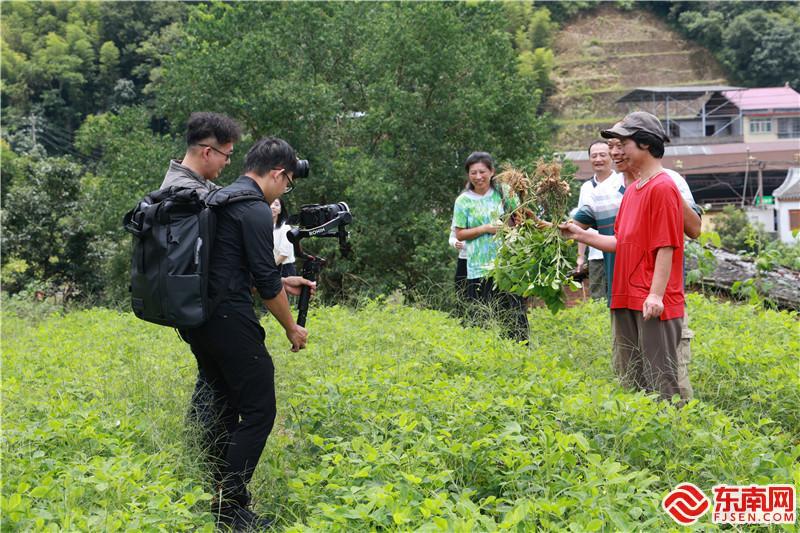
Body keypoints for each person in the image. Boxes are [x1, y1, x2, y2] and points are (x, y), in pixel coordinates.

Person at [180, 137, 315, 529]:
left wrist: (279, 281)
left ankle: (211, 488)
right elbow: (264, 279)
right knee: (259, 408)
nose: (285, 190)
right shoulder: (254, 209)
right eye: (287, 183)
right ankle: (231, 509)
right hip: (228, 318)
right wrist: (292, 328)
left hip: (199, 317)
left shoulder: (220, 198)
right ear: (277, 174)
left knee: (221, 401)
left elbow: (234, 266)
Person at [560, 112, 693, 402]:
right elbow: (622, 243)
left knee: (662, 384)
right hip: (626, 295)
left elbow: (666, 246)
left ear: (645, 144)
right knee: (633, 381)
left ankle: (674, 440)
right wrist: (578, 234)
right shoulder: (634, 189)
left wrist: (656, 295)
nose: (615, 151)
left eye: (624, 143)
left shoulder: (663, 187)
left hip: (650, 300)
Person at [159, 112, 241, 441]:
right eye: (226, 155)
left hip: (196, 301)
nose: (226, 164)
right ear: (208, 152)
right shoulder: (184, 192)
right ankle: (204, 454)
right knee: (216, 378)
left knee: (212, 378)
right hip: (197, 304)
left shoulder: (199, 187)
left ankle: (201, 452)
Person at [452, 151, 529, 342]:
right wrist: (485, 228)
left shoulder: (503, 192)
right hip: (478, 267)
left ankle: (518, 355)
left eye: (482, 172)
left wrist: (509, 226)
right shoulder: (463, 201)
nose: (478, 177)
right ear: (468, 175)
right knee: (481, 319)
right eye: (473, 173)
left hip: (507, 265)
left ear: (492, 171)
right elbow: (460, 233)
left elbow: (520, 220)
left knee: (513, 318)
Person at [575, 140, 620, 300]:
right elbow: (580, 226)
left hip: (617, 251)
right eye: (594, 156)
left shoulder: (622, 182)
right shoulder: (586, 187)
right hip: (595, 254)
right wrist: (581, 256)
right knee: (597, 298)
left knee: (617, 295)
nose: (598, 159)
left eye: (603, 155)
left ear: (612, 157)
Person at [271, 197, 297, 277]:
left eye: (276, 204)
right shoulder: (265, 227)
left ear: (280, 210)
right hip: (272, 268)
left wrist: (269, 268)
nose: (272, 206)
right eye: (270, 203)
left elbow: (284, 254)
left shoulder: (285, 227)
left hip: (285, 269)